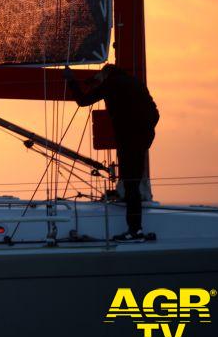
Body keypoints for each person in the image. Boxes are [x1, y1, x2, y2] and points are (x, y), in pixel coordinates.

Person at [64, 64, 159, 242]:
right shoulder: (136, 82)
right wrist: (146, 135)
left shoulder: (110, 84)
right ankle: (135, 230)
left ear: (106, 75)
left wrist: (71, 80)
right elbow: (155, 114)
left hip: (127, 141)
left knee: (130, 186)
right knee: (134, 184)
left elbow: (83, 101)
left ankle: (135, 231)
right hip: (141, 141)